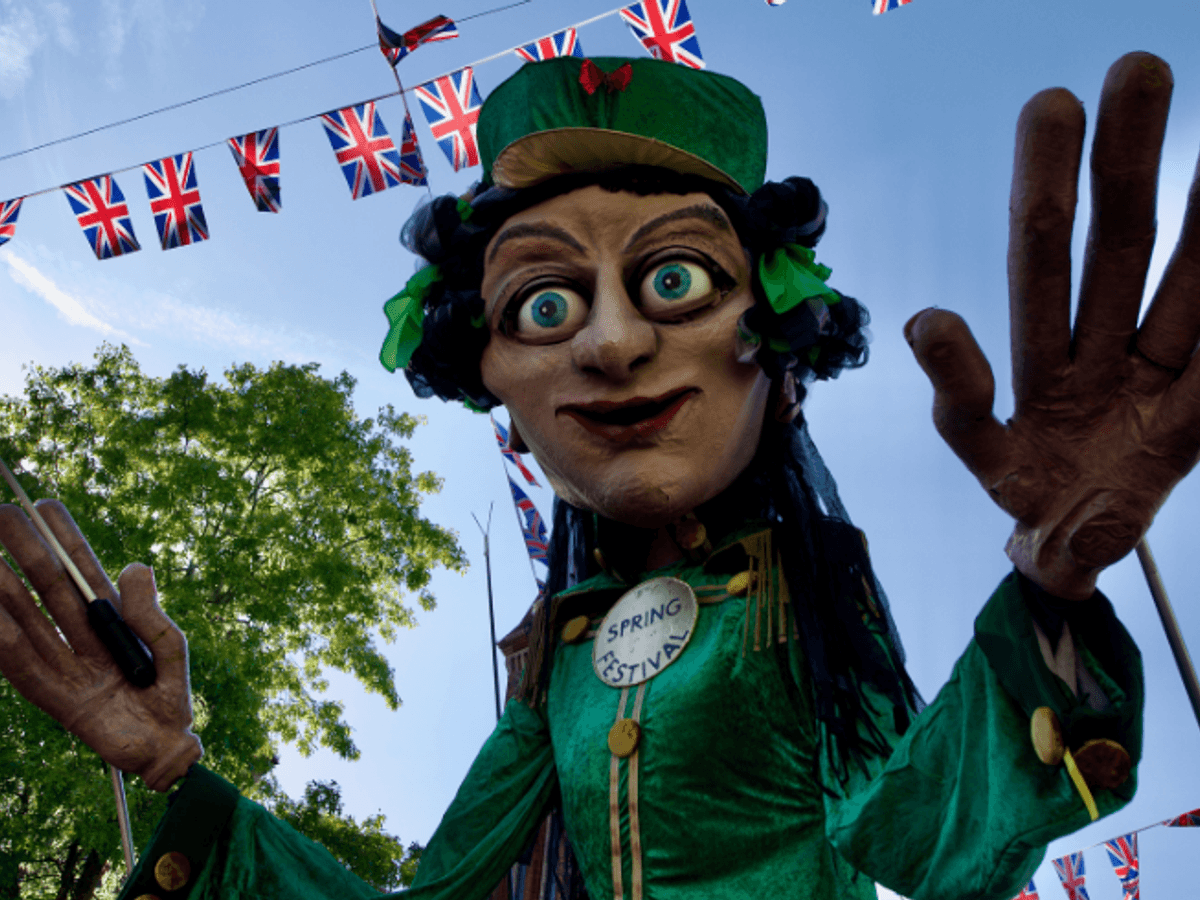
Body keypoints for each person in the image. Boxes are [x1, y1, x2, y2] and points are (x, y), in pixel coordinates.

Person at [0, 51, 1196, 900]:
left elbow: (928, 842)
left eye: (676, 281)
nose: (611, 344)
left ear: (777, 364)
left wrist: (1054, 594)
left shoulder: (810, 599)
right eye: (546, 301)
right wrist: (178, 777)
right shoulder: (557, 661)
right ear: (503, 395)